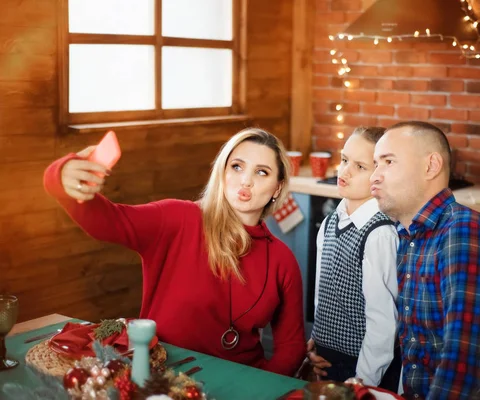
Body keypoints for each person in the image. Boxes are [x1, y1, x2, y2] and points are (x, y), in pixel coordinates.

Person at [43, 128, 306, 376]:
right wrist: (59, 175)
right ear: (222, 172)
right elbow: (108, 222)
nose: (246, 180)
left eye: (262, 172)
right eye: (237, 166)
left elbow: (291, 347)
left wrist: (263, 391)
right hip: (162, 377)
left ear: (278, 187)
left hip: (240, 382)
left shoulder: (282, 260)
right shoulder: (178, 218)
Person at [370, 121, 480, 399]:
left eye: (388, 162)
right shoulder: (410, 236)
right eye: (375, 164)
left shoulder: (465, 233)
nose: (374, 176)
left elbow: (463, 372)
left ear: (431, 166)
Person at [306, 127, 401, 390]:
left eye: (359, 166)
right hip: (325, 359)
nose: (344, 171)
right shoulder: (329, 222)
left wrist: (361, 383)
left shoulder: (379, 234)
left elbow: (383, 324)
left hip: (361, 367)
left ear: (380, 176)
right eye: (345, 160)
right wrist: (315, 342)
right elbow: (322, 295)